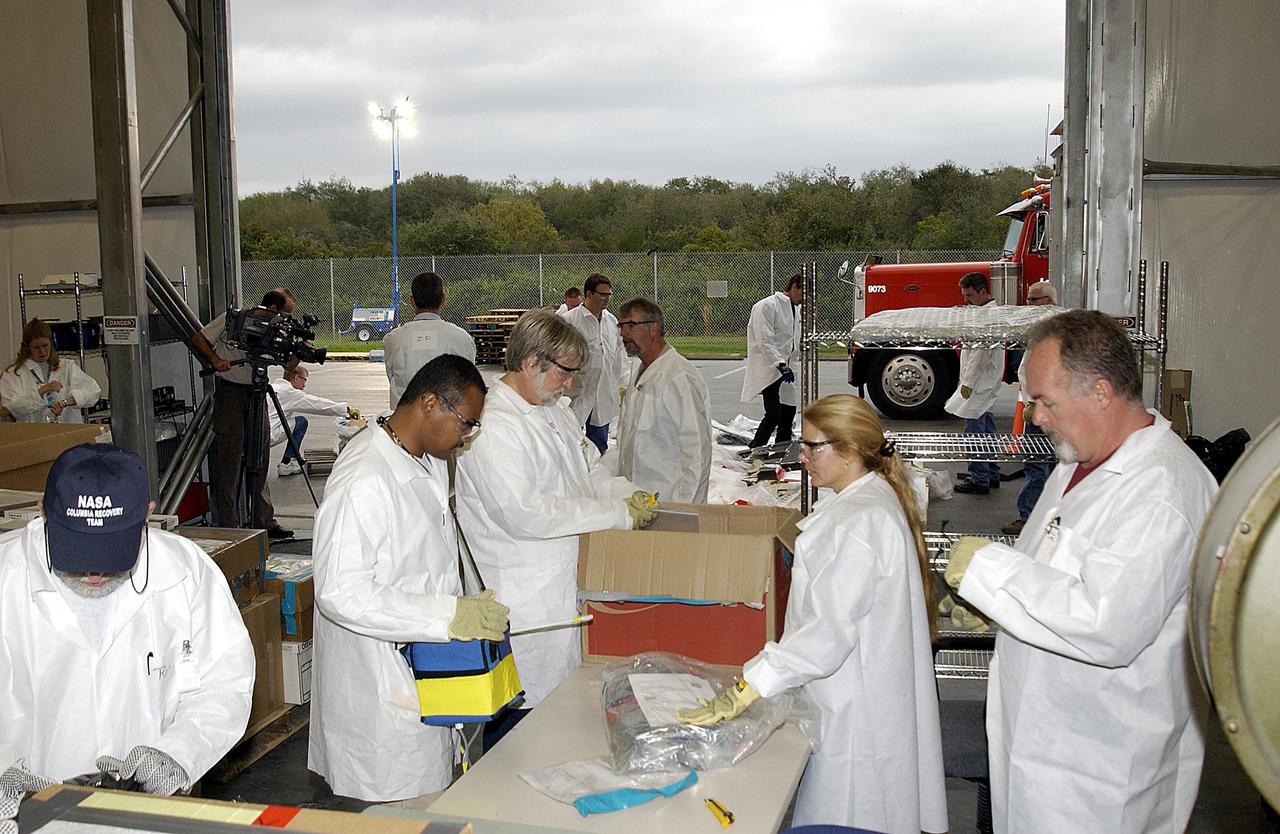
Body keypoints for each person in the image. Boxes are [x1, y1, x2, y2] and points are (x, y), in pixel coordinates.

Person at [944, 310, 1216, 834]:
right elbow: (1048, 563)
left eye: (1045, 401)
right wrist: (993, 606)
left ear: (1101, 393)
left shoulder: (1160, 493)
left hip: (1100, 771)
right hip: (1045, 741)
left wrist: (991, 572)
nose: (1035, 417)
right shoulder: (1078, 461)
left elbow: (1106, 624)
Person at [679, 394, 947, 834]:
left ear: (851, 450)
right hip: (857, 688)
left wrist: (751, 685)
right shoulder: (863, 501)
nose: (801, 456)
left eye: (812, 446)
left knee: (849, 811)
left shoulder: (858, 523)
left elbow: (826, 633)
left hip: (853, 703)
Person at [308, 354, 510, 805]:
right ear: (429, 403)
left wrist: (467, 599)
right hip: (381, 688)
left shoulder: (426, 457)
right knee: (399, 810)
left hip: (424, 670)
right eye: (466, 423)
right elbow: (340, 592)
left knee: (429, 801)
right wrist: (450, 614)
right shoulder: (364, 479)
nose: (468, 436)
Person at [0, 443, 254, 801]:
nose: (93, 571)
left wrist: (178, 754)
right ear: (42, 512)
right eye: (74, 548)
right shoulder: (6, 576)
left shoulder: (185, 572)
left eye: (110, 551)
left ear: (147, 516)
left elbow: (224, 679)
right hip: (28, 806)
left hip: (152, 805)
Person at [456, 310, 655, 745]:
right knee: (515, 725)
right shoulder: (494, 427)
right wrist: (616, 516)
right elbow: (526, 513)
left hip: (559, 591)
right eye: (565, 373)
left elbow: (588, 468)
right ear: (531, 362)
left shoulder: (552, 411)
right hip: (522, 602)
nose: (571, 384)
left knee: (555, 716)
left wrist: (625, 493)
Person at [191, 288, 297, 538]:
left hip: (258, 392)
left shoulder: (279, 330)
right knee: (229, 461)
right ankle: (228, 527)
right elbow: (199, 339)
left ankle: (264, 521)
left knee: (260, 456)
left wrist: (298, 351)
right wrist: (216, 359)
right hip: (231, 393)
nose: (287, 319)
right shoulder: (234, 319)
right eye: (285, 313)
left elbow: (289, 365)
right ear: (272, 308)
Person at [603, 297, 712, 503]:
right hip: (636, 499)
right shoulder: (638, 369)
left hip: (670, 502)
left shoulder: (678, 378)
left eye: (631, 325)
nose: (624, 333)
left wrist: (686, 510)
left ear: (653, 329)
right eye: (621, 326)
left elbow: (697, 452)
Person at [1003, 280, 1059, 534]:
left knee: (1038, 463)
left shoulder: (1053, 331)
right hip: (1041, 406)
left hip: (1047, 410)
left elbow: (1047, 371)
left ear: (1048, 301)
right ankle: (1042, 518)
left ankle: (1030, 519)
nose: (1028, 303)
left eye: (1032, 300)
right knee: (1042, 462)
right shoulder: (1040, 329)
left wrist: (1035, 402)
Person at [383, 271, 477, 410]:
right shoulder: (462, 339)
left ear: (412, 301)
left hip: (404, 425)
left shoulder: (393, 340)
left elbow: (391, 376)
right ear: (442, 299)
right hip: (449, 423)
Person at [947, 272, 1005, 494]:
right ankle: (990, 472)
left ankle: (979, 478)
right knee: (986, 427)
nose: (966, 300)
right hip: (985, 381)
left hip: (979, 382)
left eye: (970, 295)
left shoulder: (986, 318)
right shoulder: (985, 313)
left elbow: (980, 354)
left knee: (974, 432)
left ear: (983, 292)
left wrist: (968, 383)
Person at [562, 273, 625, 453]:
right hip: (576, 393)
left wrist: (622, 385)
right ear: (589, 294)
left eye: (609, 295)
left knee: (598, 447)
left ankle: (596, 479)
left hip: (603, 392)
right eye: (602, 295)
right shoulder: (570, 321)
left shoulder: (612, 322)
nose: (606, 299)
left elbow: (619, 358)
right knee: (572, 445)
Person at [742, 273, 802, 449]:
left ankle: (782, 447)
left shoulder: (794, 309)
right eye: (803, 293)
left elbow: (790, 339)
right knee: (774, 414)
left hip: (787, 367)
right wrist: (780, 364)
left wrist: (789, 364)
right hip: (770, 367)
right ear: (793, 287)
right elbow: (765, 339)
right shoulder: (767, 306)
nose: (804, 299)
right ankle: (756, 447)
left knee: (789, 409)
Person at [1, 318, 101, 423]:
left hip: (67, 431)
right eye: (36, 348)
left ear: (51, 343)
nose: (42, 352)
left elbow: (93, 391)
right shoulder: (13, 374)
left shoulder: (67, 366)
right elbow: (12, 407)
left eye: (45, 346)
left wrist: (66, 402)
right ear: (27, 348)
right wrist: (40, 392)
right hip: (33, 433)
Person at [269, 366, 358, 476]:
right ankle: (287, 463)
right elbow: (318, 405)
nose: (304, 385)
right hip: (269, 434)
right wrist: (346, 409)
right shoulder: (291, 393)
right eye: (304, 380)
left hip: (254, 432)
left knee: (290, 419)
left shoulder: (272, 388)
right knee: (301, 422)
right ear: (296, 378)